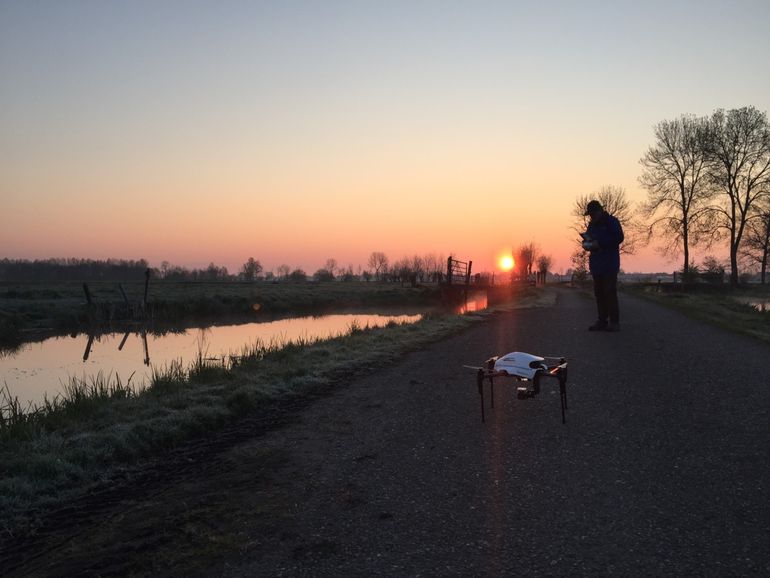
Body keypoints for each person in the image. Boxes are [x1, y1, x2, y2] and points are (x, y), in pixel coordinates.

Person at [582, 200, 624, 332]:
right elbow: (590, 239)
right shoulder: (592, 225)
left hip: (609, 264)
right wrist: (586, 243)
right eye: (590, 215)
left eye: (593, 214)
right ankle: (602, 321)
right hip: (596, 264)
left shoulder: (612, 222)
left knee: (610, 293)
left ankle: (614, 322)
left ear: (599, 211)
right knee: (599, 294)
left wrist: (600, 243)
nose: (591, 217)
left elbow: (619, 238)